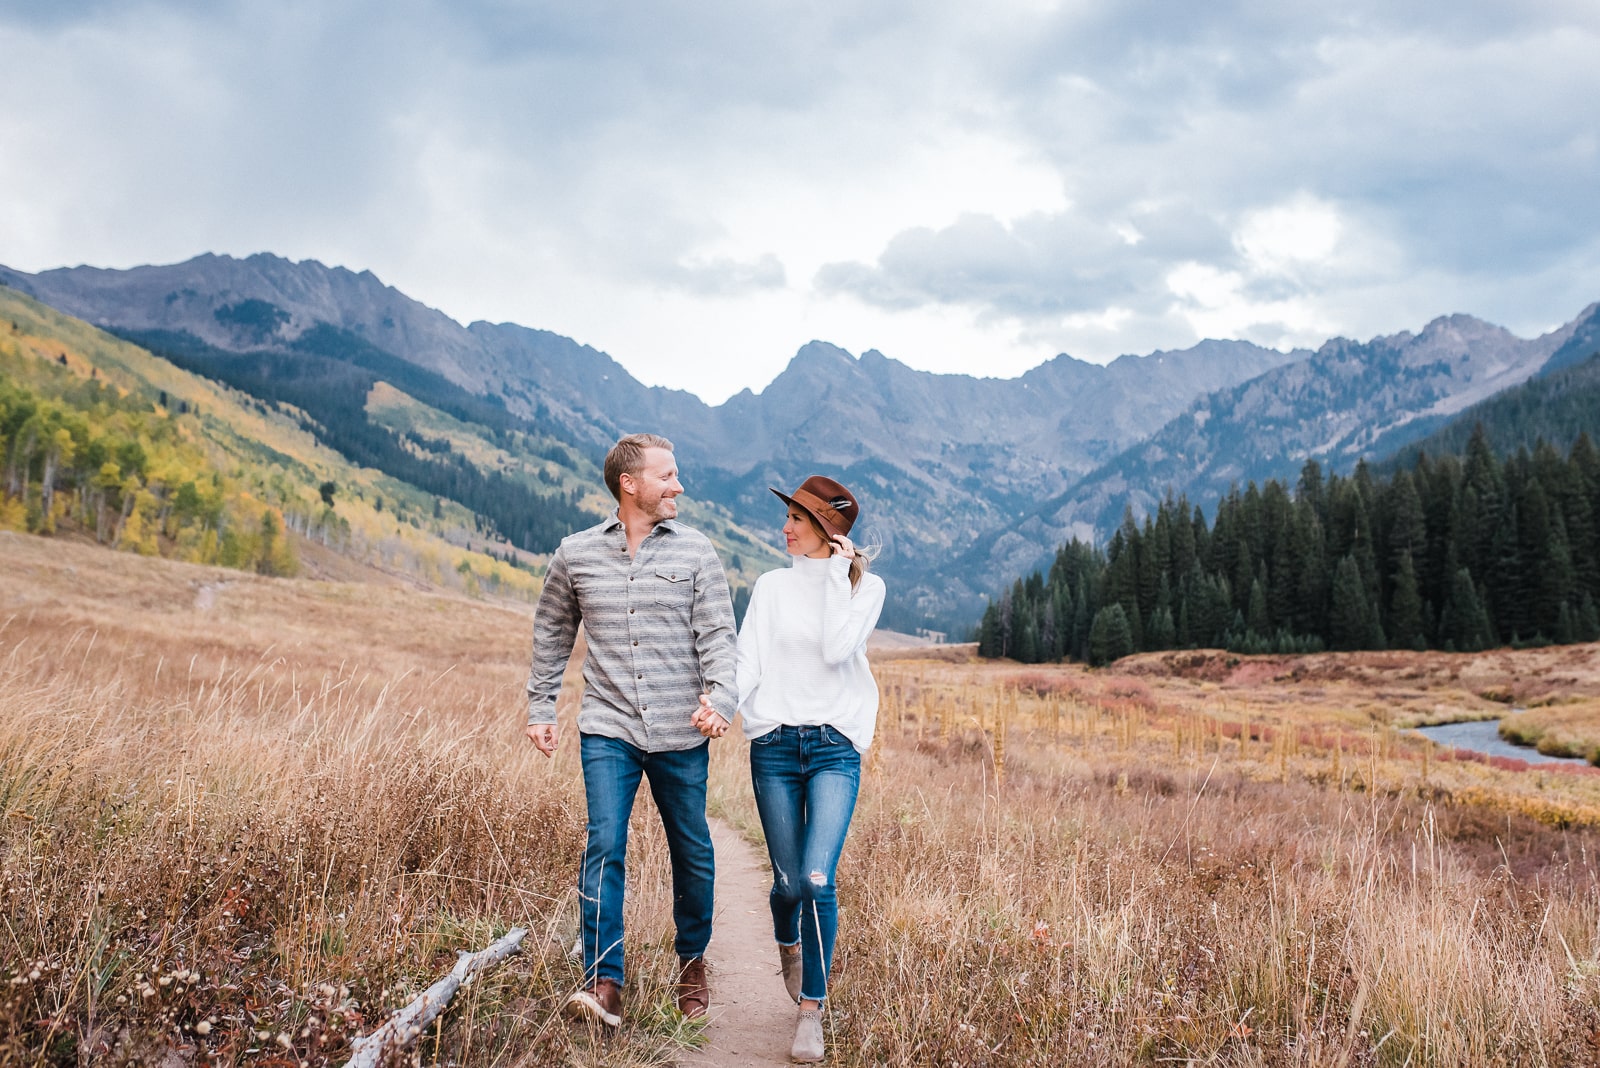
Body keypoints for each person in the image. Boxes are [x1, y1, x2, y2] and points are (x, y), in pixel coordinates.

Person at [525, 432, 738, 1028]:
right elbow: (551, 633)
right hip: (608, 726)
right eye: (667, 476)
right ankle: (604, 981)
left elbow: (720, 638)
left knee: (691, 850)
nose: (679, 486)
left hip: (681, 730)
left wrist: (720, 698)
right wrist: (542, 707)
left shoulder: (696, 552)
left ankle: (692, 962)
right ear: (630, 484)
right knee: (604, 844)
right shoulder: (576, 554)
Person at [715, 474, 885, 1063]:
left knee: (817, 878)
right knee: (788, 884)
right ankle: (788, 942)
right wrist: (720, 707)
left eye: (796, 520)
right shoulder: (770, 586)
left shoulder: (866, 588)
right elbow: (748, 661)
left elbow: (838, 649)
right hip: (777, 748)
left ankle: (810, 1010)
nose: (783, 528)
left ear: (826, 532)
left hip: (835, 745)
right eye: (788, 517)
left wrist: (839, 577)